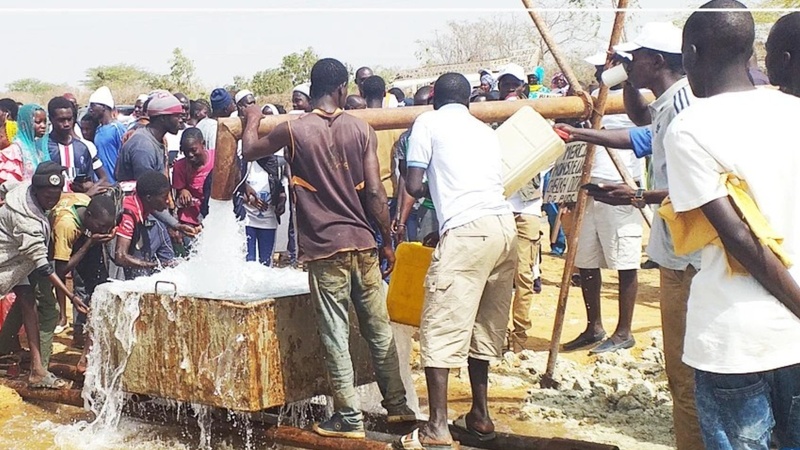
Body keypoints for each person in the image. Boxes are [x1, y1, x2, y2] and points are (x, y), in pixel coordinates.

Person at [241, 57, 415, 439]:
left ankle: (348, 417)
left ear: (314, 87)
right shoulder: (362, 129)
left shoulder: (294, 130)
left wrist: (252, 115)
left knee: (335, 332)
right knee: (378, 329)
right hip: (363, 244)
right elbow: (374, 193)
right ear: (342, 90)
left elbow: (249, 149)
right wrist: (387, 239)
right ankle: (398, 407)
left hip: (324, 247)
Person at [554, 21, 703, 450]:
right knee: (682, 375)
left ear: (655, 60)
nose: (627, 64)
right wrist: (578, 132)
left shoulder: (685, 104)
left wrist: (639, 195)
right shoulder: (668, 100)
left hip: (689, 256)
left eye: (633, 58)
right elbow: (638, 129)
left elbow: (703, 187)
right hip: (677, 252)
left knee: (686, 376)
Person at [664, 3, 800, 448]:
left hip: (735, 339)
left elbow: (740, 237)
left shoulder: (689, 129)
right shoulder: (793, 111)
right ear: (750, 52)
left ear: (690, 55)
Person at [401, 73, 517, 449]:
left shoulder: (426, 122)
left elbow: (415, 185)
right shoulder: (483, 130)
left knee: (441, 325)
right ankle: (480, 415)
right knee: (483, 325)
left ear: (434, 97)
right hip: (502, 228)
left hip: (468, 232)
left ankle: (436, 425)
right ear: (468, 99)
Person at [558, 53, 644, 355]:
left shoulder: (635, 98)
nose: (598, 72)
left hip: (619, 186)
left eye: (604, 68)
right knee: (586, 260)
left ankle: (624, 331)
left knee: (625, 260)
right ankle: (594, 325)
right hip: (589, 184)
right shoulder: (593, 96)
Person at [0, 162, 87, 388]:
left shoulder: (23, 189)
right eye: (47, 196)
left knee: (28, 300)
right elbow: (43, 265)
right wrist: (71, 296)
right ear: (36, 191)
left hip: (17, 262)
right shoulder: (27, 219)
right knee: (35, 302)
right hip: (7, 262)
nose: (53, 200)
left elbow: (6, 187)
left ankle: (37, 370)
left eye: (56, 195)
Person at [494, 64, 546, 353]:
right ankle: (499, 334)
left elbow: (547, 157)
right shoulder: (490, 118)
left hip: (526, 206)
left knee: (523, 276)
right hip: (500, 206)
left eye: (514, 84)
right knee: (501, 276)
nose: (510, 89)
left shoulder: (533, 118)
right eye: (506, 84)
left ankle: (520, 338)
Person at [50, 193, 116, 369]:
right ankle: (78, 333)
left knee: (97, 281)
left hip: (84, 236)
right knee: (46, 303)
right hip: (48, 248)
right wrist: (89, 244)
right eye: (102, 227)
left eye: (108, 227)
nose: (105, 231)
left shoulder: (88, 204)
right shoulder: (67, 226)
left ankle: (89, 338)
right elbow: (61, 271)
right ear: (88, 216)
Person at [114, 171, 176, 280]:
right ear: (149, 198)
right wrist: (153, 265)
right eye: (164, 197)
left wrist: (177, 225)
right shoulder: (129, 215)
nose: (168, 201)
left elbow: (155, 208)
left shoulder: (143, 200)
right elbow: (121, 257)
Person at [115, 93, 182, 182]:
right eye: (177, 116)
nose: (180, 120)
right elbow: (147, 190)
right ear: (163, 118)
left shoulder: (156, 139)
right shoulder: (143, 147)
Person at [47, 96, 109, 191]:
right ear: (51, 119)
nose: (67, 124)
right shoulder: (44, 147)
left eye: (69, 119)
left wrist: (88, 187)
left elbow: (91, 179)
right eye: (61, 120)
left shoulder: (82, 148)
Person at [242, 153, 286, 266]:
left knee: (266, 263)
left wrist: (282, 202)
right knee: (248, 262)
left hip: (268, 221)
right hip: (247, 220)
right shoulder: (245, 163)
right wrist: (249, 199)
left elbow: (281, 188)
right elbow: (235, 188)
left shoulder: (277, 163)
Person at [172, 128, 214, 228]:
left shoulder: (217, 158)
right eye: (185, 152)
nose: (190, 155)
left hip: (214, 217)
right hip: (191, 220)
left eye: (193, 150)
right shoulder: (180, 166)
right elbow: (177, 193)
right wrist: (182, 190)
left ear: (203, 144)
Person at [0, 104, 49, 184]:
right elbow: (10, 185)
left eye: (45, 122)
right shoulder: (15, 151)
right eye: (38, 122)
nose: (43, 126)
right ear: (24, 124)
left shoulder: (38, 149)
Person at [88, 86, 126, 184]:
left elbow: (124, 154)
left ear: (103, 107)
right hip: (102, 183)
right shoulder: (98, 129)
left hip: (115, 183)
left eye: (93, 106)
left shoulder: (117, 128)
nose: (90, 109)